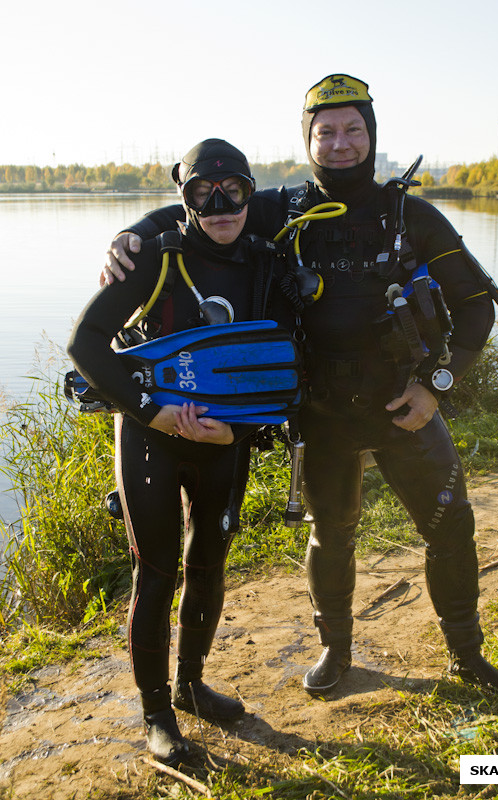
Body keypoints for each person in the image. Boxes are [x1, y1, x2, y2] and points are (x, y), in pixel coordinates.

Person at [102, 75, 498, 698]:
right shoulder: (282, 208)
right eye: (325, 131)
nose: (340, 143)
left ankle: (467, 653)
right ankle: (336, 651)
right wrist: (133, 232)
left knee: (451, 525)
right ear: (309, 140)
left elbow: (476, 307)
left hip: (402, 404)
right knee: (332, 534)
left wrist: (436, 385)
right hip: (322, 413)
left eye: (353, 129)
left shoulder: (413, 215)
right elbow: (202, 207)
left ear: (371, 135)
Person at [69, 138, 292, 766]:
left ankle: (192, 685)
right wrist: (154, 412)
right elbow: (85, 343)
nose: (219, 206)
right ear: (183, 196)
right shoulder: (154, 260)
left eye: (234, 192)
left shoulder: (265, 263)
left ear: (251, 192)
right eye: (202, 193)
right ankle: (155, 713)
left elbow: (276, 368)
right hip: (151, 435)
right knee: (158, 570)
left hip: (224, 439)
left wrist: (241, 432)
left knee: (210, 563)